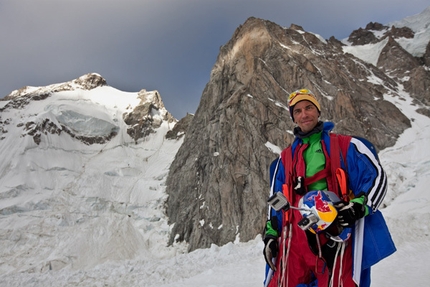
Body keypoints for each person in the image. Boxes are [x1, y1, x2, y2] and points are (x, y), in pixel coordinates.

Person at [263, 89, 396, 287]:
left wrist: (359, 206)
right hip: (295, 238)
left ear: (318, 111)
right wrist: (271, 236)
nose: (304, 114)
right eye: (297, 111)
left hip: (336, 230)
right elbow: (276, 201)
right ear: (293, 118)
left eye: (308, 107)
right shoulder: (284, 160)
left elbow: (376, 177)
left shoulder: (348, 146)